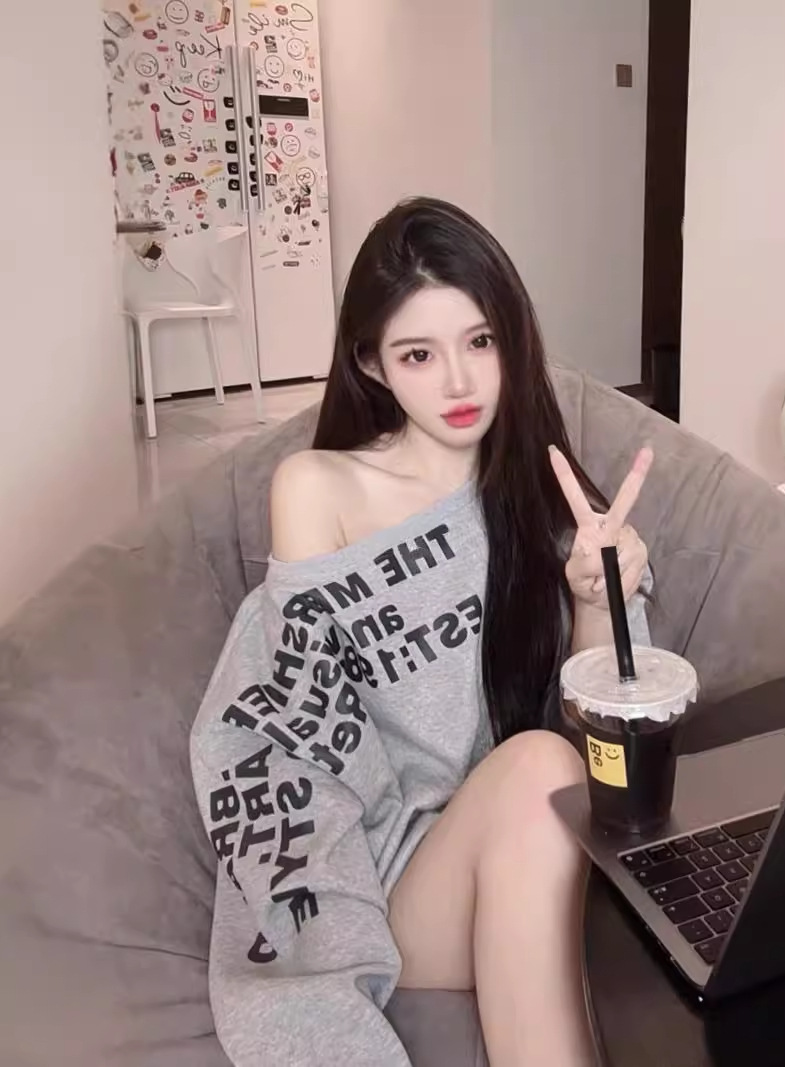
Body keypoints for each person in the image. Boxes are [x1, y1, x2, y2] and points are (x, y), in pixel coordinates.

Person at [189, 197, 654, 1067]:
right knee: (537, 769)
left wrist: (598, 600)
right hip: (395, 879)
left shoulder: (548, 499)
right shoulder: (318, 488)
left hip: (531, 846)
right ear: (372, 363)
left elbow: (598, 749)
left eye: (480, 342)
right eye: (418, 354)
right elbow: (305, 735)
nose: (459, 383)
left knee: (546, 770)